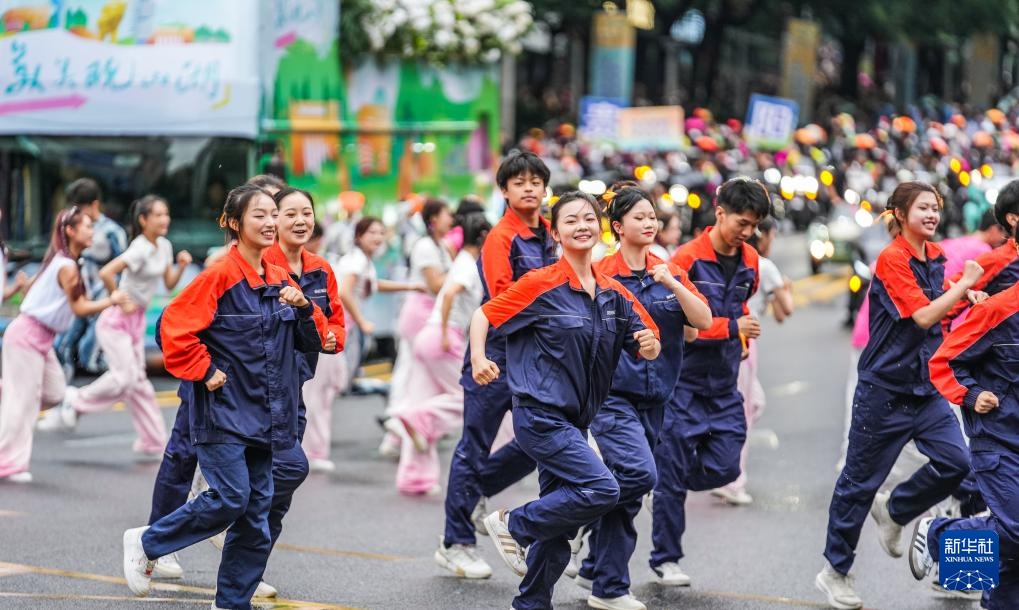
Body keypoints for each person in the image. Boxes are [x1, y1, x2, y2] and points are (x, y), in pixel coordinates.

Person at [122, 184, 323, 609]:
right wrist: (205, 369)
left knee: (256, 517)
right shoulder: (219, 275)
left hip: (267, 415)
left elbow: (315, 342)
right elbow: (171, 328)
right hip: (223, 413)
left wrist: (305, 308)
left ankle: (231, 603)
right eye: (260, 215)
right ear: (233, 223)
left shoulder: (280, 278)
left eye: (273, 214)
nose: (270, 223)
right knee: (232, 497)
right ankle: (148, 541)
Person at [474, 191, 662, 610]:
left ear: (601, 228)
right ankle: (513, 524)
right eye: (571, 220)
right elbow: (485, 314)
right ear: (556, 233)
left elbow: (648, 341)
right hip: (539, 416)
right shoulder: (540, 283)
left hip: (576, 422)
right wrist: (478, 358)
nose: (582, 226)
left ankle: (531, 604)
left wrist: (649, 345)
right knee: (602, 487)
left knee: (560, 527)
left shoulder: (613, 293)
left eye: (589, 219)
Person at [816, 181, 983, 610]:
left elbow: (937, 309)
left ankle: (896, 513)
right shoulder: (894, 258)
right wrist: (964, 286)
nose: (932, 214)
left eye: (935, 208)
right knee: (858, 483)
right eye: (923, 207)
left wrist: (966, 297)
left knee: (960, 464)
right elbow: (924, 315)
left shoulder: (938, 256)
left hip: (930, 387)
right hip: (886, 390)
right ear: (900, 214)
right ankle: (836, 571)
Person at [570, 187, 711, 610]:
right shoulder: (600, 272)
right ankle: (571, 525)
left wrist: (672, 282)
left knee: (628, 492)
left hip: (658, 398)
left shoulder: (668, 270)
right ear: (617, 227)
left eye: (653, 217)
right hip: (612, 398)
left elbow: (701, 322)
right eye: (640, 217)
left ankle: (600, 574)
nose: (650, 223)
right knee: (640, 474)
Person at [436, 151, 555, 580]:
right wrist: (556, 313)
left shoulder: (551, 233)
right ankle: (455, 543)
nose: (528, 188)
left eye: (535, 181)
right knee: (474, 446)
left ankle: (477, 492)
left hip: (537, 356)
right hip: (497, 354)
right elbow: (505, 300)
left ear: (545, 188)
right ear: (504, 190)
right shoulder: (500, 237)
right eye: (518, 182)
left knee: (540, 442)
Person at [650, 177, 770, 587]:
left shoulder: (751, 259)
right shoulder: (686, 258)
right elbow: (679, 325)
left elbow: (742, 304)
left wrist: (741, 336)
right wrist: (732, 328)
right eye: (742, 222)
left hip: (724, 383)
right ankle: (666, 558)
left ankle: (662, 483)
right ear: (720, 213)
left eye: (754, 225)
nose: (747, 231)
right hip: (682, 383)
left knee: (726, 466)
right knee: (672, 476)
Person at [37, 196, 192, 457]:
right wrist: (118, 297)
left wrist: (182, 267)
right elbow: (107, 272)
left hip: (136, 321)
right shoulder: (139, 248)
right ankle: (75, 401)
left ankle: (153, 440)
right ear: (143, 220)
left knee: (138, 382)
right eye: (158, 215)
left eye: (166, 214)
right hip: (116, 321)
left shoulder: (164, 246)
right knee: (124, 378)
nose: (165, 219)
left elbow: (168, 284)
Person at [0, 206, 131, 483]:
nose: (92, 231)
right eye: (87, 226)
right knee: (22, 404)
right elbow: (79, 307)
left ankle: (8, 393)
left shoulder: (64, 261)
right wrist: (111, 300)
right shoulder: (66, 266)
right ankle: (8, 464)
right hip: (27, 336)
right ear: (70, 231)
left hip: (40, 339)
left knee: (55, 392)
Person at [913, 279, 1019, 609]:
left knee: (1013, 552)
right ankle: (937, 534)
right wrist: (972, 395)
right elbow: (944, 361)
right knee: (1016, 530)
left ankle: (969, 583)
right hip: (997, 443)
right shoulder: (997, 310)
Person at [390, 214, 492, 496]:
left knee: (424, 403)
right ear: (485, 236)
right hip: (443, 337)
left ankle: (415, 478)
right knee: (467, 397)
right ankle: (416, 419)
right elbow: (449, 295)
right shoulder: (469, 265)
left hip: (430, 336)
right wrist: (447, 332)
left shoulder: (461, 261)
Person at [314, 217, 422, 469]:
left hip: (342, 329)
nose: (378, 237)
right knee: (325, 389)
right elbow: (344, 291)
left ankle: (315, 450)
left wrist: (410, 286)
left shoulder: (362, 261)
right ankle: (313, 452)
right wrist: (362, 321)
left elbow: (373, 285)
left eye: (381, 232)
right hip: (337, 329)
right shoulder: (356, 260)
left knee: (330, 387)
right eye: (372, 232)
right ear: (359, 235)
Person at [711, 217, 794, 506]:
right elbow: (786, 311)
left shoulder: (735, 260)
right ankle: (733, 481)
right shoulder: (764, 265)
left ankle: (720, 459)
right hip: (743, 342)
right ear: (766, 235)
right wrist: (786, 288)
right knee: (743, 412)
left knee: (754, 403)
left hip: (726, 338)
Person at [381, 199, 455, 455]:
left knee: (417, 377)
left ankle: (400, 432)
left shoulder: (441, 246)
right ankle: (397, 423)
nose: (451, 219)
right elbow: (435, 284)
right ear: (433, 219)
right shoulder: (424, 246)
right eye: (447, 214)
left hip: (429, 313)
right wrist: (463, 272)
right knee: (409, 373)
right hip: (419, 315)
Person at [56, 178, 128, 376]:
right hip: (79, 296)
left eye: (80, 208)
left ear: (94, 205)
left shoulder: (112, 232)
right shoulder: (72, 228)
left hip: (103, 300)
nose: (76, 212)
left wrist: (114, 299)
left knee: (91, 355)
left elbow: (123, 269)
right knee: (62, 346)